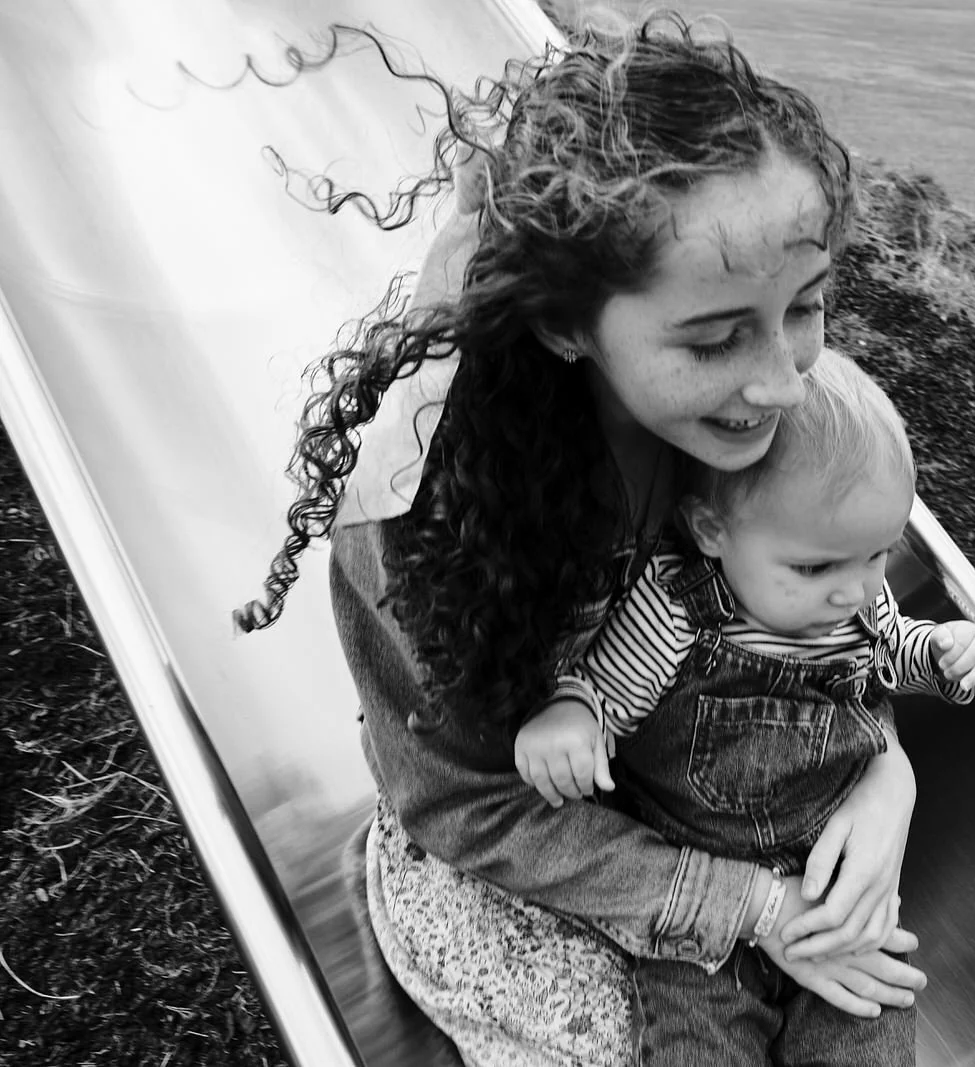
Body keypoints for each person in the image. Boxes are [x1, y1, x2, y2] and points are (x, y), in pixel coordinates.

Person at [238, 13, 933, 1067]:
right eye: (714, 338)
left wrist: (889, 775)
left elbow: (825, 607)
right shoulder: (431, 505)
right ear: (566, 324)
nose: (785, 381)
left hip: (720, 786)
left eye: (808, 306)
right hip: (528, 847)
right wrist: (742, 903)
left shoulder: (750, 401)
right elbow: (464, 801)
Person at [513, 349, 975, 1063]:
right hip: (704, 902)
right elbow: (602, 692)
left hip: (838, 880)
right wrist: (572, 716)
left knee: (869, 1019)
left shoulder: (857, 601)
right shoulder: (676, 609)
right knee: (697, 1045)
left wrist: (945, 656)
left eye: (878, 555)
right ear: (712, 530)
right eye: (815, 567)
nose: (856, 589)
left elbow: (895, 652)